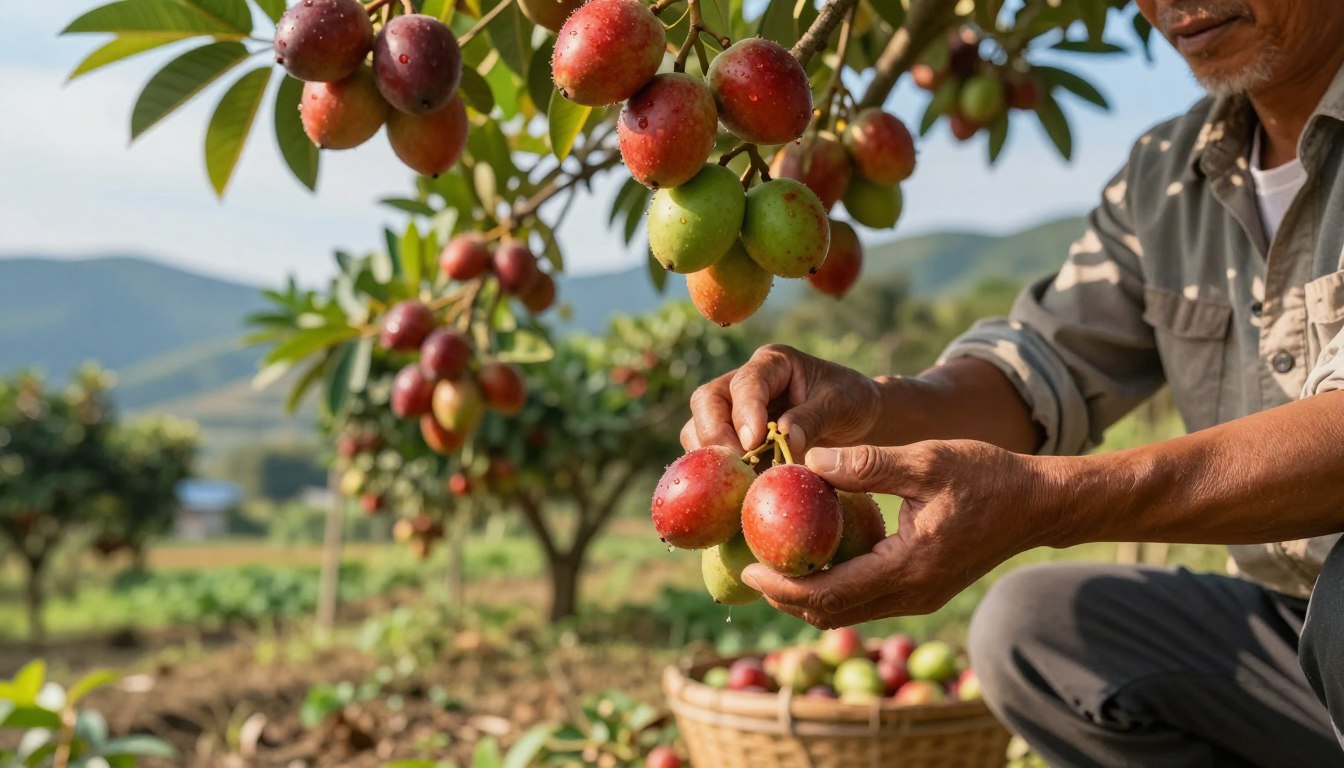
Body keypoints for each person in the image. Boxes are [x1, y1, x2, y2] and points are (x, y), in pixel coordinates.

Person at [682, 0, 1344, 764]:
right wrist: (872, 406)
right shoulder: (1169, 173)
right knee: (1036, 631)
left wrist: (1049, 503)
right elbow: (1039, 370)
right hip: (1286, 639)